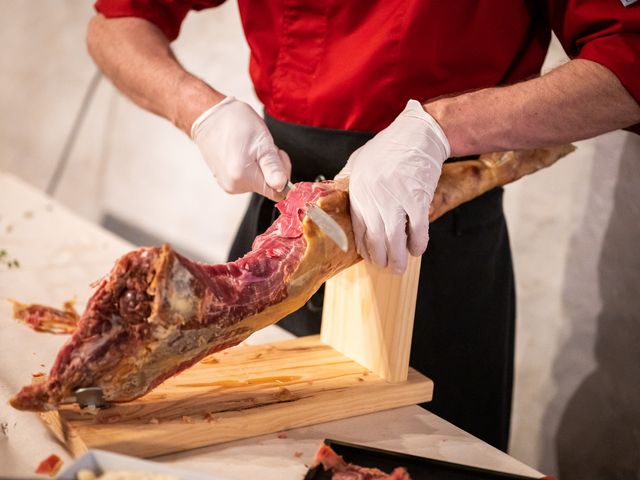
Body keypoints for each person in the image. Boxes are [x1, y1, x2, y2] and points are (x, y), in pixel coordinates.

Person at [86, 1, 640, 451]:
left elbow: (629, 55)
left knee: (423, 457)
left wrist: (440, 128)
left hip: (438, 236)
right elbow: (115, 23)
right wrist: (197, 109)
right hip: (279, 216)